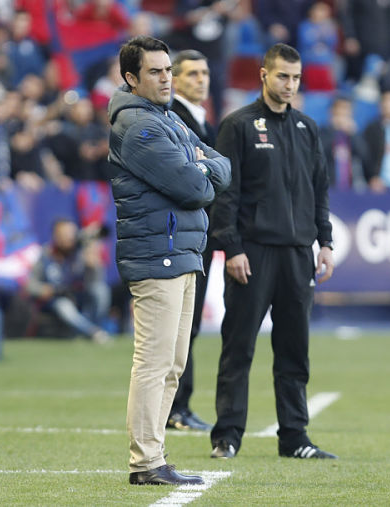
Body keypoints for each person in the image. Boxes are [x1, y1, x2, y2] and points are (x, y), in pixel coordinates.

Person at [107, 35, 231, 486]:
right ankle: (145, 462)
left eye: (168, 70)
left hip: (181, 254)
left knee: (175, 363)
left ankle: (155, 455)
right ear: (131, 78)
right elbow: (197, 187)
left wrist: (202, 166)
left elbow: (223, 166)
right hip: (156, 255)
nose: (166, 78)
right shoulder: (138, 127)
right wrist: (200, 168)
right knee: (155, 362)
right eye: (156, 72)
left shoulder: (166, 120)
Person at [208, 43, 336, 460]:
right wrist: (232, 248)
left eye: (296, 78)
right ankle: (227, 435)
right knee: (239, 345)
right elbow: (225, 193)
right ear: (264, 75)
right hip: (254, 254)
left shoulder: (306, 128)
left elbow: (320, 190)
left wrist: (326, 242)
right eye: (282, 76)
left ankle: (295, 437)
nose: (290, 85)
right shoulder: (238, 126)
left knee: (294, 349)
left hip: (298, 255)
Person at [165, 49, 217, 432]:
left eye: (205, 72)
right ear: (176, 79)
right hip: (184, 237)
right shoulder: (175, 119)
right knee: (179, 326)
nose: (201, 79)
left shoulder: (202, 120)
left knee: (191, 325)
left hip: (203, 235)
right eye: (192, 73)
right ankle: (173, 408)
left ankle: (180, 404)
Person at [26, 218, 111, 343]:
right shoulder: (46, 255)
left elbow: (96, 281)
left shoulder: (80, 253)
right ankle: (92, 332)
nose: (69, 238)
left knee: (101, 290)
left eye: (71, 234)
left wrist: (94, 265)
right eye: (65, 234)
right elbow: (30, 285)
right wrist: (44, 289)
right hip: (58, 299)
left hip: (79, 296)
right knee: (63, 306)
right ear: (56, 236)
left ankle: (92, 329)